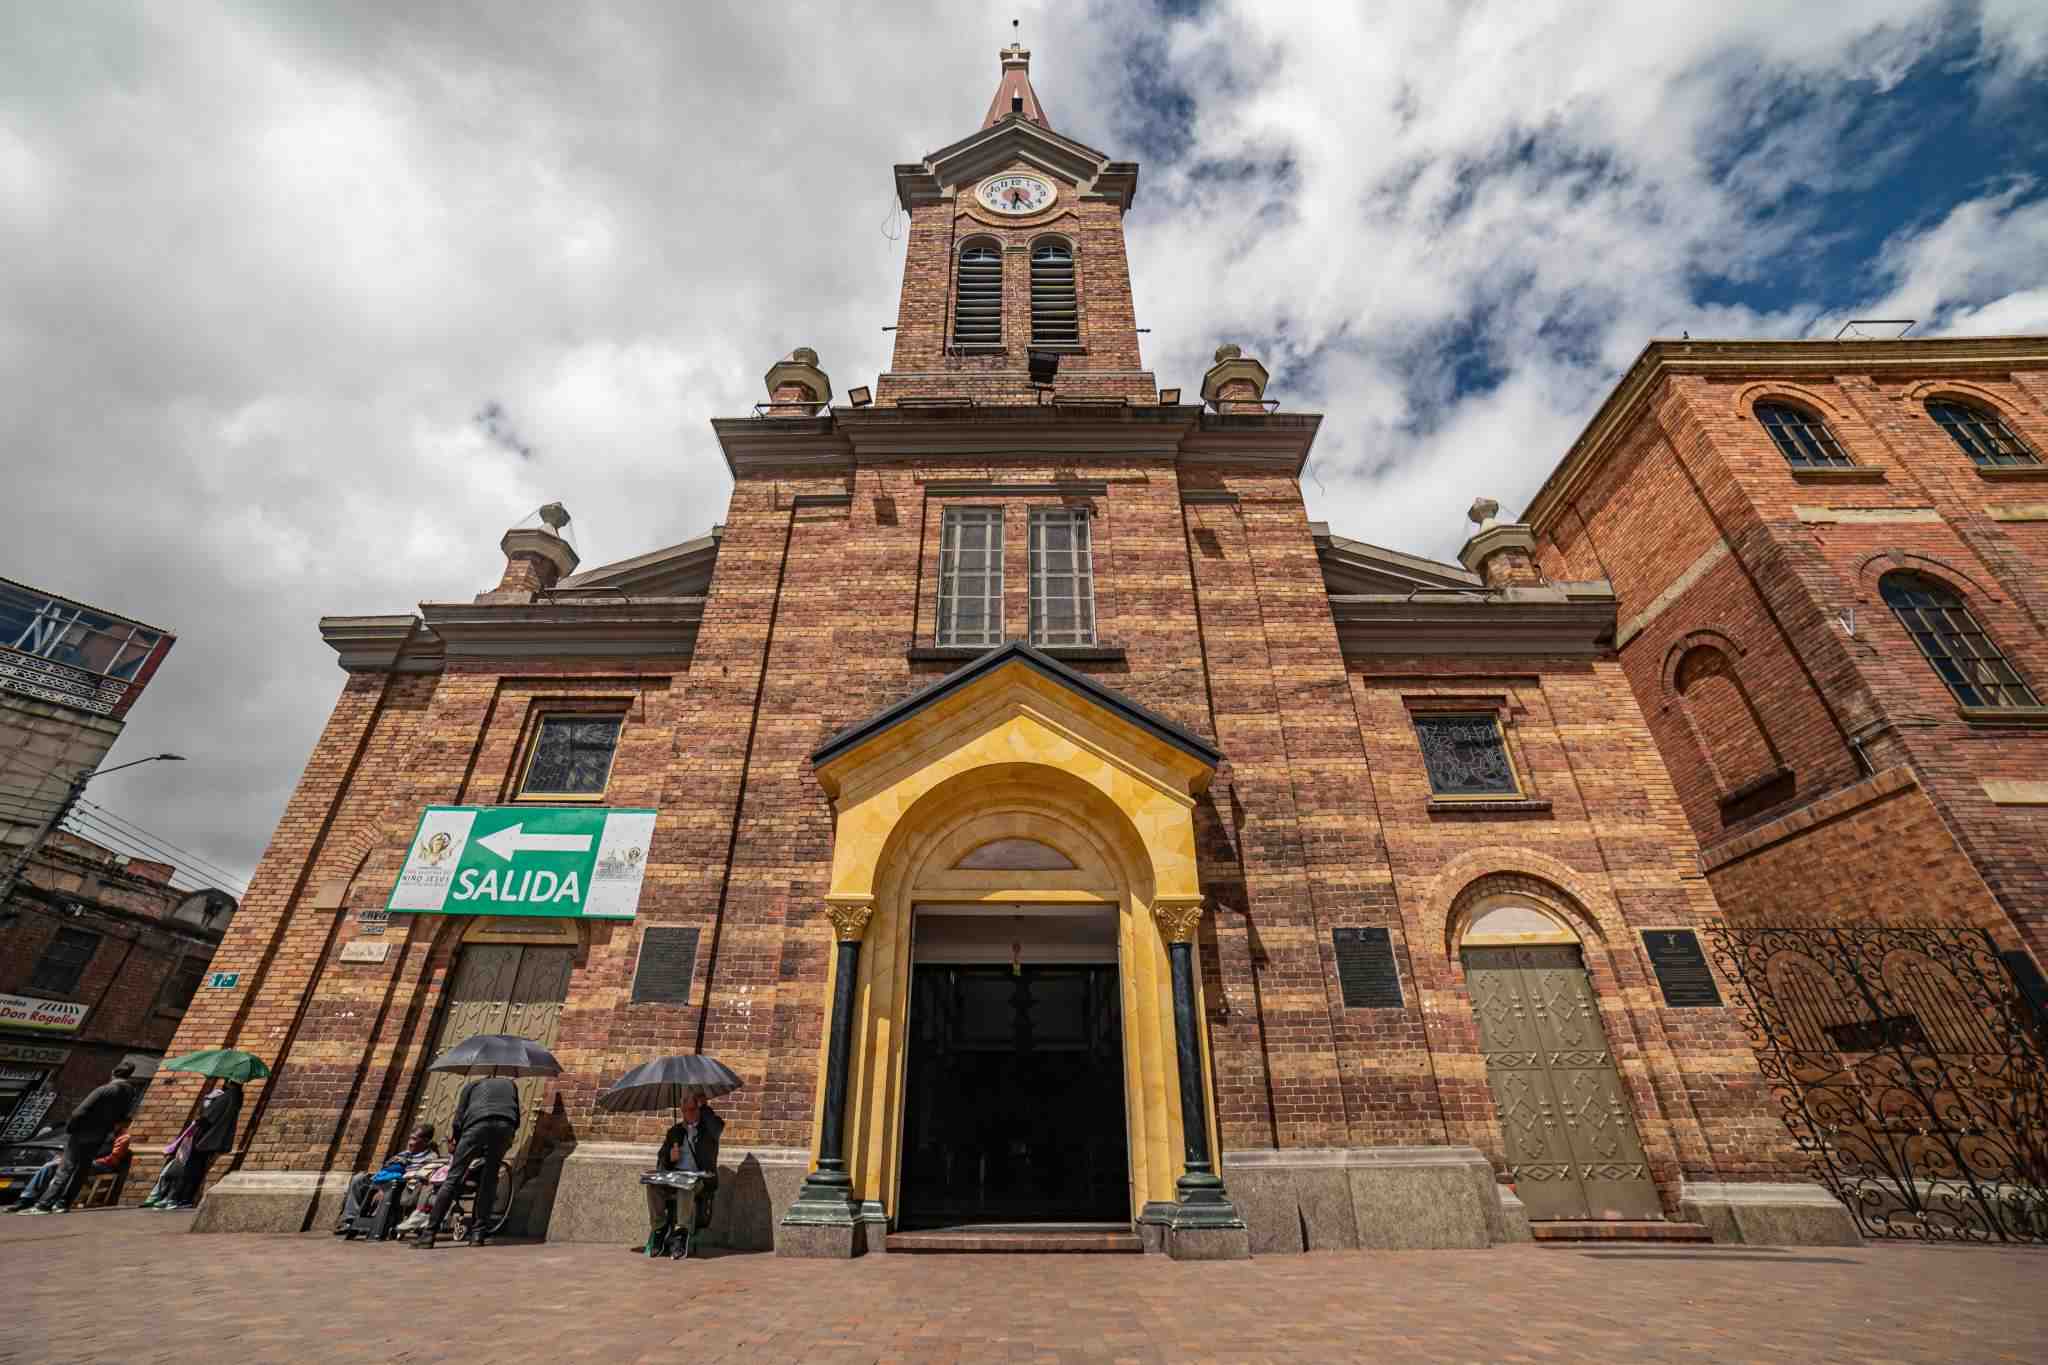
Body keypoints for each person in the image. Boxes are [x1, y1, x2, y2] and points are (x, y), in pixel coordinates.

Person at [411, 1072, 520, 1249]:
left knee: (453, 1179)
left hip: (476, 1126)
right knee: (489, 1180)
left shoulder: (472, 1086)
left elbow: (458, 1119)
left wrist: (458, 1143)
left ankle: (428, 1235)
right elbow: (517, 1117)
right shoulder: (510, 1085)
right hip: (505, 1126)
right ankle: (477, 1235)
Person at [27, 1061, 138, 1214]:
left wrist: (71, 1128)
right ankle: (63, 1204)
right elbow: (123, 1116)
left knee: (66, 1168)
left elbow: (80, 1112)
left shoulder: (104, 1089)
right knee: (82, 1170)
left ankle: (44, 1204)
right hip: (101, 1135)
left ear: (113, 1073)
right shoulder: (130, 1093)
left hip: (83, 1133)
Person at [641, 1092, 722, 1256]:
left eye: (692, 1109)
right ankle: (659, 1228)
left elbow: (717, 1128)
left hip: (699, 1178)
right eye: (685, 1110)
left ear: (698, 1109)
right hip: (676, 1176)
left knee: (686, 1187)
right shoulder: (675, 1131)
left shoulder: (709, 1130)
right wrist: (670, 1158)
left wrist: (704, 1106)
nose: (689, 1114)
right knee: (652, 1186)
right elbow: (661, 1158)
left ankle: (681, 1232)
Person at [336, 1124, 438, 1239]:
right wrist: (380, 1186)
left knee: (392, 1186)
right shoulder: (403, 1154)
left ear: (425, 1141)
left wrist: (385, 1188)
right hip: (384, 1184)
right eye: (410, 1138)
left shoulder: (430, 1158)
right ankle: (350, 1220)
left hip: (402, 1188)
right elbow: (386, 1171)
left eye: (414, 1139)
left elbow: (417, 1179)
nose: (410, 1142)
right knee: (358, 1178)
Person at [165, 1078, 243, 1210]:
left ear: (229, 1082)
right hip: (214, 1139)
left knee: (192, 1167)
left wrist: (204, 1111)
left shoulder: (227, 1096)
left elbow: (208, 1117)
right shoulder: (236, 1096)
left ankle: (181, 1198)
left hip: (205, 1138)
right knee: (198, 1167)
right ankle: (185, 1198)